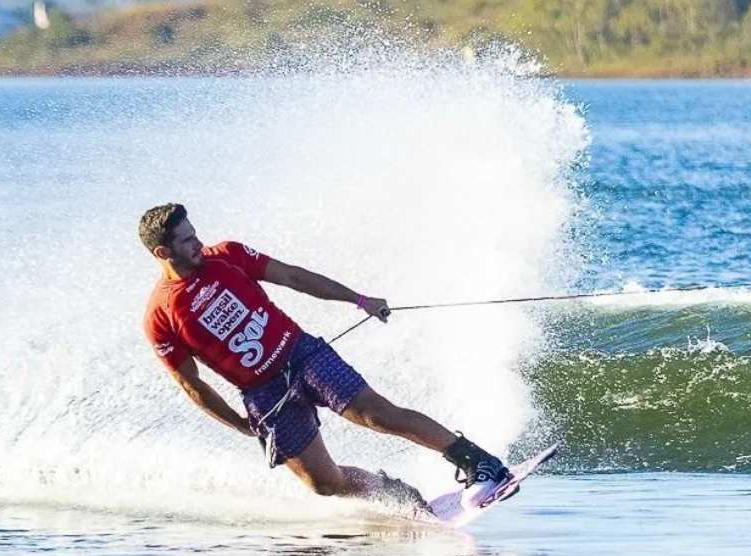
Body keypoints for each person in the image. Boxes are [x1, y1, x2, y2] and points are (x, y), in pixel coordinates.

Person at [139, 203, 516, 516]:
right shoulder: (160, 315)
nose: (198, 243)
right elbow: (192, 384)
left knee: (376, 414)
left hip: (301, 353)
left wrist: (359, 299)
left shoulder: (227, 255)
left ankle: (480, 463)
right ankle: (399, 496)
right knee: (324, 483)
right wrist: (239, 424)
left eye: (195, 233)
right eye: (187, 240)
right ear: (162, 252)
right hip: (264, 395)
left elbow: (293, 277)